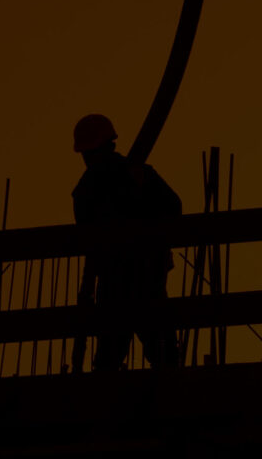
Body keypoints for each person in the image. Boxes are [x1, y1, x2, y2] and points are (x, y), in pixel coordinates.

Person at [71, 114, 181, 371]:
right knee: (156, 353)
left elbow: (173, 209)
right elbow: (174, 208)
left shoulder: (100, 184)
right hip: (135, 277)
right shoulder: (129, 176)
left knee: (127, 354)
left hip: (133, 277)